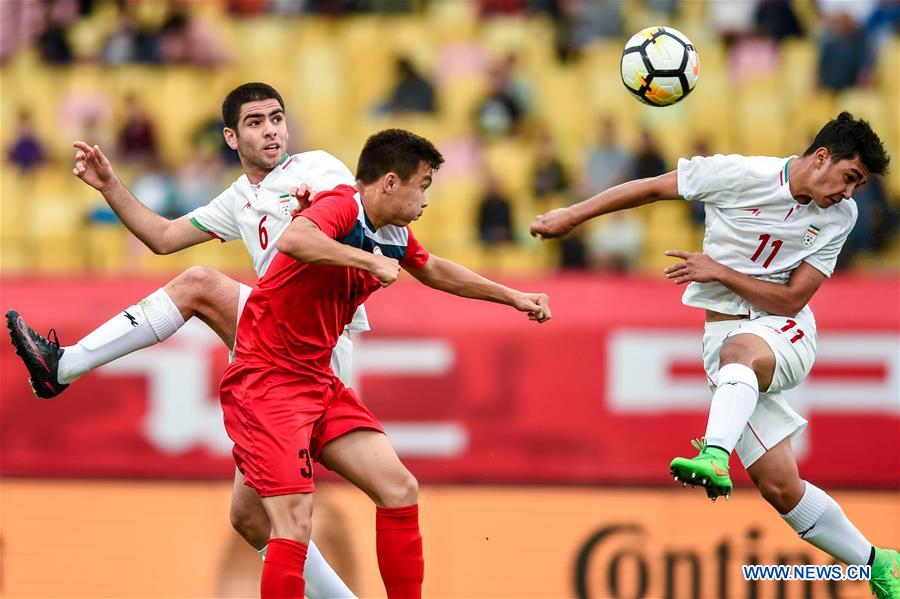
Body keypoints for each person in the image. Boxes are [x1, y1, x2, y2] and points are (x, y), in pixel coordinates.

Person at [6, 82, 361, 599]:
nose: (271, 130)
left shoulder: (318, 168)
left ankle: (62, 367)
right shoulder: (241, 197)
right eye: (256, 122)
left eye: (276, 118)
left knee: (200, 285)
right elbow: (164, 237)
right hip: (279, 343)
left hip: (319, 343)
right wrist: (110, 186)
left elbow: (351, 225)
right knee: (248, 517)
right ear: (231, 137)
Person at [529, 112, 899, 598]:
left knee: (740, 350)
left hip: (784, 329)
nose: (850, 194)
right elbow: (652, 188)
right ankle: (877, 564)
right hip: (724, 347)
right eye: (851, 178)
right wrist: (571, 215)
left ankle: (714, 452)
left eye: (859, 186)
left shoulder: (840, 216)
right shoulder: (739, 175)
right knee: (780, 488)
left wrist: (719, 271)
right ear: (822, 157)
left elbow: (790, 299)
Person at [223, 128, 550, 598]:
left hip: (317, 381)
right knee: (292, 523)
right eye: (424, 186)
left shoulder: (393, 233)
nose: (426, 200)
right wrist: (366, 261)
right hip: (268, 381)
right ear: (391, 183)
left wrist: (514, 297)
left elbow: (434, 269)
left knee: (399, 488)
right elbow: (294, 238)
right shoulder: (341, 204)